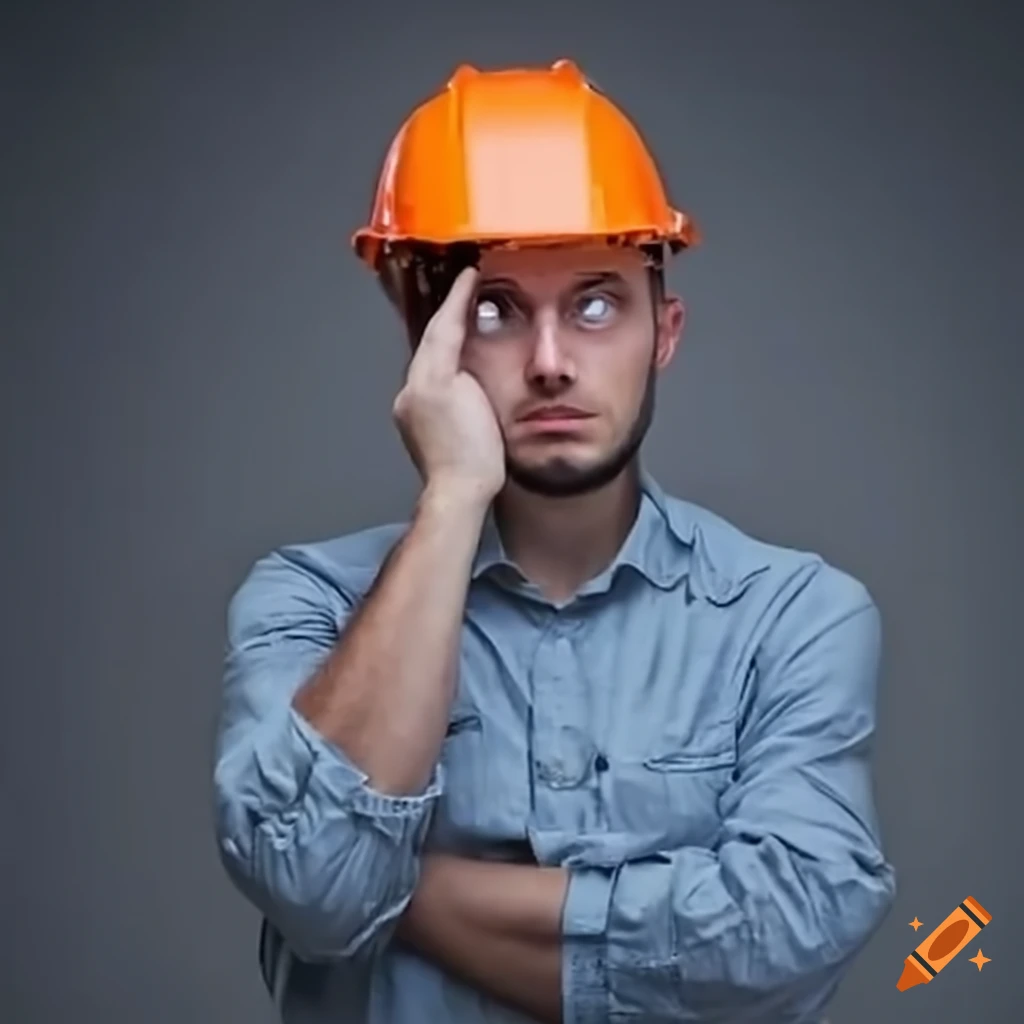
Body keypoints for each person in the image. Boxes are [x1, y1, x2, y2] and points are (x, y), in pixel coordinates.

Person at [213, 59, 897, 1024]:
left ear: (664, 330)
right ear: (426, 333)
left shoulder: (792, 616)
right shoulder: (309, 603)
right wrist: (454, 496)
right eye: (493, 308)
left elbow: (782, 933)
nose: (548, 362)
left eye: (595, 302)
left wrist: (394, 887)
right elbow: (317, 891)